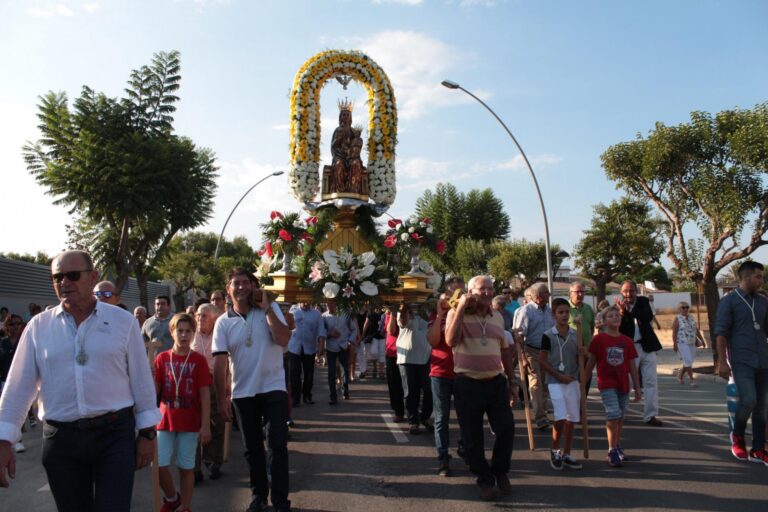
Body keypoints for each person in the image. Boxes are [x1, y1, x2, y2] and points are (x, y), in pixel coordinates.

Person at [0, 250, 160, 510]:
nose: (64, 282)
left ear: (93, 277)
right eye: (57, 277)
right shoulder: (38, 327)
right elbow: (19, 386)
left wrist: (147, 433)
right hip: (61, 440)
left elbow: (141, 380)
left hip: (114, 436)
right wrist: (4, 439)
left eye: (72, 275)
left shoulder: (123, 322)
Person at [212, 268, 291, 512]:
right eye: (236, 283)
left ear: (253, 286)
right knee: (252, 449)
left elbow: (284, 339)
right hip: (243, 393)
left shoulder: (270, 310)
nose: (242, 287)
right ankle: (259, 496)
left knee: (277, 444)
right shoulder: (223, 322)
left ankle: (280, 501)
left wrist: (267, 308)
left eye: (246, 282)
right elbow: (219, 363)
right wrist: (222, 400)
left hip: (273, 387)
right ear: (228, 289)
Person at [446, 275, 516, 501]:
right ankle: (484, 479)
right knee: (472, 437)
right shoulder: (457, 313)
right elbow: (450, 341)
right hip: (467, 383)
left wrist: (512, 381)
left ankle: (500, 470)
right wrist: (460, 309)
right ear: (470, 291)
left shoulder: (498, 317)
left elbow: (505, 350)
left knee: (506, 429)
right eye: (481, 288)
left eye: (490, 288)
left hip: (495, 381)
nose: (487, 292)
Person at [154, 312, 212, 512]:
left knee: (186, 468)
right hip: (164, 419)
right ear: (172, 332)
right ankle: (172, 498)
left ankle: (186, 507)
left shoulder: (199, 360)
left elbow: (205, 394)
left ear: (194, 334)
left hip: (189, 421)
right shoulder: (162, 358)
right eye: (180, 331)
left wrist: (205, 425)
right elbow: (155, 390)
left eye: (188, 331)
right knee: (159, 465)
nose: (184, 335)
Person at [715, 261, 768, 464]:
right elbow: (721, 333)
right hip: (741, 360)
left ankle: (758, 448)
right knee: (749, 400)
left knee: (762, 407)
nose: (761, 280)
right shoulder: (729, 302)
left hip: (763, 359)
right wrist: (722, 362)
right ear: (745, 277)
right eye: (758, 276)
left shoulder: (763, 302)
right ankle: (737, 436)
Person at [585, 305, 642, 467]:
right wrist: (583, 384)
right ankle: (611, 450)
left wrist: (637, 388)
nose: (615, 317)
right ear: (603, 321)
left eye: (617, 315)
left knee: (620, 417)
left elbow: (632, 367)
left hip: (623, 384)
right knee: (613, 414)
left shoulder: (627, 341)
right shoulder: (598, 340)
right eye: (611, 316)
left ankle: (617, 445)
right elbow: (591, 363)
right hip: (607, 384)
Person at [540, 298, 584, 471]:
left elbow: (580, 358)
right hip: (555, 381)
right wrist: (558, 375)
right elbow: (543, 361)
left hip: (572, 380)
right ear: (554, 315)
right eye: (561, 312)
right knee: (560, 417)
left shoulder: (576, 334)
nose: (565, 315)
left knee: (572, 418)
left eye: (567, 312)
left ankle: (567, 453)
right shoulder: (548, 335)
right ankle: (556, 449)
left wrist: (583, 353)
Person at [617, 281, 663, 426]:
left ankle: (650, 415)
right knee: (628, 381)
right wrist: (623, 314)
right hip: (630, 349)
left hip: (647, 346)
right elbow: (621, 329)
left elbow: (647, 317)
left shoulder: (643, 301)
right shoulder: (618, 308)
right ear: (621, 292)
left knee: (651, 382)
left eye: (631, 291)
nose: (629, 294)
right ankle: (620, 412)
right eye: (625, 291)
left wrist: (629, 311)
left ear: (636, 291)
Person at [190, 303, 225, 481]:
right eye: (197, 315)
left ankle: (212, 462)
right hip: (194, 382)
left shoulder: (221, 333)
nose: (199, 319)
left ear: (213, 319)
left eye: (204, 316)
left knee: (214, 422)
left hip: (213, 381)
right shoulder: (190, 333)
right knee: (193, 424)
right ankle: (194, 468)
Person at [514, 282, 555, 430]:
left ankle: (543, 411)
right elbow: (519, 335)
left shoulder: (549, 311)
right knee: (536, 383)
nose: (549, 295)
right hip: (531, 351)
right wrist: (523, 357)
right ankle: (540, 417)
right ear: (538, 297)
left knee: (545, 384)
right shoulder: (526, 311)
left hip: (547, 352)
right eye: (546, 292)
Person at [427, 292, 457, 476]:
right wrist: (440, 315)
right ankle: (443, 458)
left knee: (467, 417)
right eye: (446, 298)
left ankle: (465, 450)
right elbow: (433, 340)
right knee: (441, 418)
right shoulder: (434, 317)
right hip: (440, 373)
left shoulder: (465, 315)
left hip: (463, 372)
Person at [396, 303, 433, 435]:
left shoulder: (429, 307)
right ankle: (413, 421)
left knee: (429, 391)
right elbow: (403, 322)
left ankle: (425, 417)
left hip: (426, 356)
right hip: (407, 358)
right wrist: (404, 309)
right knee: (410, 392)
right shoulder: (403, 307)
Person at [286, 303, 326, 407]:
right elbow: (286, 326)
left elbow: (321, 330)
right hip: (294, 347)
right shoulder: (292, 311)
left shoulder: (317, 314)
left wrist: (321, 346)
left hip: (309, 347)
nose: (306, 302)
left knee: (309, 374)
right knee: (294, 374)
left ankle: (307, 396)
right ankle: (295, 398)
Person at [321, 302, 356, 405]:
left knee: (345, 369)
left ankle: (345, 390)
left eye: (331, 304)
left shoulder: (345, 314)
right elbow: (321, 332)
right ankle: (333, 396)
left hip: (343, 346)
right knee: (331, 372)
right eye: (327, 305)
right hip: (331, 347)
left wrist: (350, 341)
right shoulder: (324, 317)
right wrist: (329, 334)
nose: (329, 306)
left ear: (336, 304)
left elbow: (354, 329)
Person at [0, 315, 24, 453]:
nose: (15, 327)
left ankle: (18, 440)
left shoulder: (24, 341)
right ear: (7, 326)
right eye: (12, 324)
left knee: (17, 409)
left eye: (18, 324)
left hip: (20, 381)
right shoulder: (3, 343)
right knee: (6, 410)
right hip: (5, 381)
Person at [568, 282, 595, 393]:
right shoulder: (566, 309)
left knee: (586, 378)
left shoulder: (588, 309)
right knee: (572, 378)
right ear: (570, 293)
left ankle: (582, 405)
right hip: (571, 350)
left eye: (582, 292)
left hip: (586, 350)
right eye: (577, 292)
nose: (580, 294)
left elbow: (591, 327)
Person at [672, 301, 705, 387]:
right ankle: (691, 380)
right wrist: (674, 344)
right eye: (683, 307)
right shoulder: (677, 318)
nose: (686, 309)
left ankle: (680, 376)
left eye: (687, 307)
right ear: (680, 309)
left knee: (689, 361)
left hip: (692, 342)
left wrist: (702, 339)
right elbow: (674, 332)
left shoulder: (691, 317)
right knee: (688, 360)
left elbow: (696, 329)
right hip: (682, 343)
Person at [384, 306, 405, 421]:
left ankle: (413, 413)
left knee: (407, 385)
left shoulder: (407, 312)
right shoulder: (389, 314)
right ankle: (399, 411)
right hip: (392, 354)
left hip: (406, 354)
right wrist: (392, 313)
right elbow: (391, 330)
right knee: (394, 384)